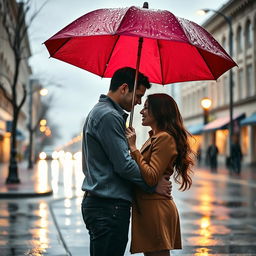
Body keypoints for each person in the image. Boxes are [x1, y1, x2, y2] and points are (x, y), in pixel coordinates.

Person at [81, 67, 171, 256]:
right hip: (109, 206)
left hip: (103, 205)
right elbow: (124, 165)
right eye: (138, 96)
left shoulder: (102, 112)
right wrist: (152, 186)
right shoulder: (109, 116)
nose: (138, 103)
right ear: (124, 88)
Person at [126, 93, 194, 256]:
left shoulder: (164, 138)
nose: (141, 112)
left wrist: (134, 149)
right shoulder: (154, 138)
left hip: (156, 209)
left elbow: (151, 177)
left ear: (159, 111)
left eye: (146, 108)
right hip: (149, 207)